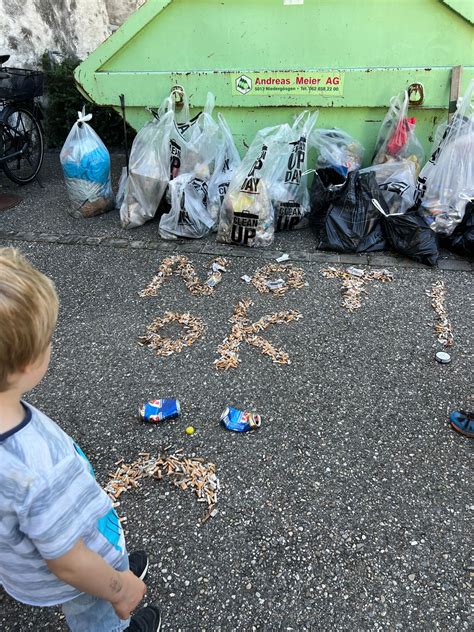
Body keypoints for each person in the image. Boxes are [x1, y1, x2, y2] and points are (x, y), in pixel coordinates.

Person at [0, 248, 161, 632]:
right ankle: (115, 583)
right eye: (49, 339)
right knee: (96, 614)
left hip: (22, 561)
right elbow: (67, 560)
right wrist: (117, 587)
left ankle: (114, 565)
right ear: (27, 363)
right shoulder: (37, 471)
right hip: (74, 572)